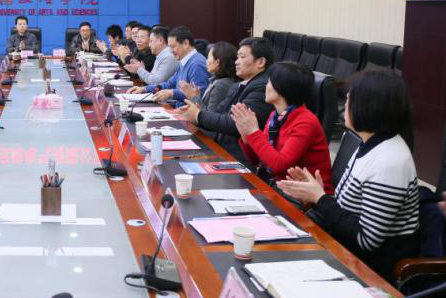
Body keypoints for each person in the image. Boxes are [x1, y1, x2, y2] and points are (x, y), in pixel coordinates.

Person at [277, 70, 419, 281]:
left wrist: (320, 198)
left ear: (369, 106)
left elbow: (366, 240)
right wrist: (315, 194)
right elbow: (347, 210)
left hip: (367, 270)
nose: (344, 106)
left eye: (349, 99)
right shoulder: (368, 143)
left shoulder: (390, 161)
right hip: (342, 248)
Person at [232, 61, 332, 191]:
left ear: (281, 88)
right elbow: (259, 161)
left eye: (269, 82)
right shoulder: (275, 116)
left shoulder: (306, 122)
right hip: (280, 188)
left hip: (305, 197)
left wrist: (253, 132)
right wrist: (246, 136)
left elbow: (279, 165)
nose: (266, 86)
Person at [176, 37, 274, 162]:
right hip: (221, 148)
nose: (236, 62)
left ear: (260, 62)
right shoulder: (238, 85)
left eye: (242, 57)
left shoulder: (262, 87)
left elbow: (234, 124)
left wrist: (198, 115)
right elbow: (218, 113)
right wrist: (195, 111)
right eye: (237, 57)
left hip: (237, 157)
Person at [129, 26, 210, 105]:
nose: (170, 51)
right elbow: (169, 84)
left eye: (173, 47)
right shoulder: (183, 61)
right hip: (179, 109)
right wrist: (145, 89)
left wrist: (171, 93)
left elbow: (198, 96)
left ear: (185, 43)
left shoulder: (197, 64)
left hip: (187, 112)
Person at [180, 41, 238, 113]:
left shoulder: (221, 85)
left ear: (217, 62)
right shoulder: (216, 80)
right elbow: (205, 107)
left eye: (208, 57)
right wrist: (196, 99)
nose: (206, 61)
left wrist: (193, 97)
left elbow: (210, 115)